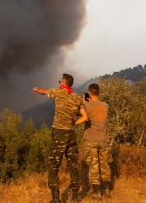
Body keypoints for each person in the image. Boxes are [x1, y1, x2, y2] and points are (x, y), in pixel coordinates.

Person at [33, 73, 86, 203]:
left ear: (63, 83)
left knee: (53, 165)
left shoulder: (59, 92)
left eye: (60, 81)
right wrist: (74, 123)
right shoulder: (76, 98)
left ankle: (56, 199)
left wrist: (36, 88)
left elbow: (42, 91)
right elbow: (85, 117)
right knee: (73, 165)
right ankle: (74, 196)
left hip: (59, 134)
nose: (59, 83)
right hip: (71, 134)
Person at [75, 83, 112, 198]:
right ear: (99, 93)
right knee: (105, 164)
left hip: (91, 139)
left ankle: (97, 192)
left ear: (89, 93)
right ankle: (107, 190)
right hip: (104, 139)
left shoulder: (86, 105)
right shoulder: (106, 105)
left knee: (93, 165)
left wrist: (84, 100)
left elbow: (78, 113)